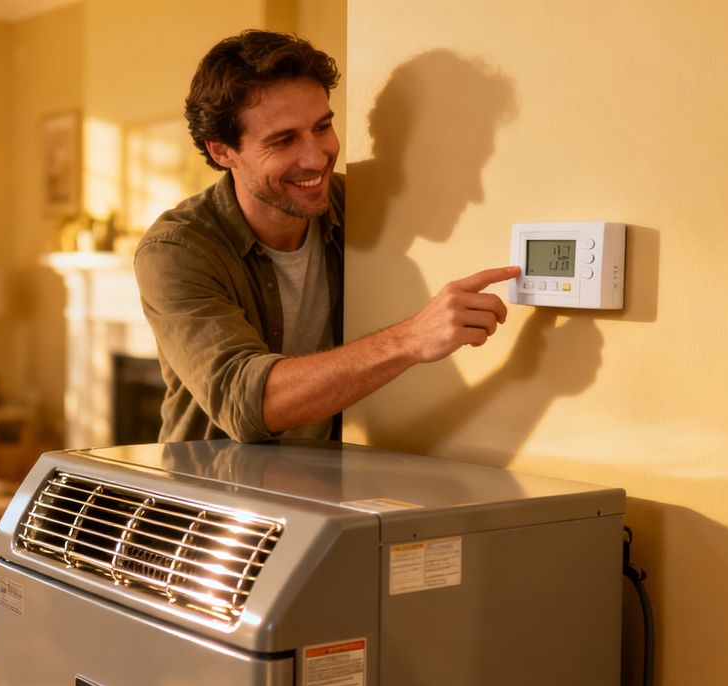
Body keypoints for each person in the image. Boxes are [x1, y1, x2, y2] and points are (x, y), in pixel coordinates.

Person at [134, 29, 519, 443]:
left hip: (318, 496)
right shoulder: (175, 251)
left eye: (322, 127)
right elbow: (245, 402)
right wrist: (412, 338)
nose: (316, 157)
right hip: (208, 496)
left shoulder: (359, 200)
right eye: (284, 140)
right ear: (222, 151)